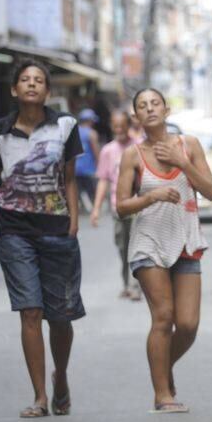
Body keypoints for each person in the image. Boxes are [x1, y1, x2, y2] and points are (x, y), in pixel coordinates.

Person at [0, 58, 84, 418]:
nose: (31, 84)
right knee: (30, 311)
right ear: (14, 89)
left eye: (38, 80)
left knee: (60, 316)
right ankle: (40, 396)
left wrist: (72, 222)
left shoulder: (66, 126)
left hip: (57, 230)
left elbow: (70, 178)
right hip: (14, 232)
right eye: (24, 79)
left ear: (47, 90)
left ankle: (61, 377)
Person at [116, 88, 212, 413]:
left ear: (167, 109)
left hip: (186, 239)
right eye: (142, 106)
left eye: (154, 103)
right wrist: (151, 196)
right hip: (150, 243)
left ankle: (162, 369)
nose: (149, 109)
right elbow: (120, 207)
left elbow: (210, 191)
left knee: (187, 325)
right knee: (163, 318)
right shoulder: (132, 155)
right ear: (136, 116)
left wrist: (182, 163)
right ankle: (163, 394)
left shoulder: (190, 146)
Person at [91, 110, 140, 300]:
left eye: (122, 125)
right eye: (115, 126)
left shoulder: (138, 146)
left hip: (138, 205)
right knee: (122, 246)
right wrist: (96, 209)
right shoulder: (108, 151)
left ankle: (134, 285)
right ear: (112, 126)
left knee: (136, 246)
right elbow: (103, 180)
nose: (119, 129)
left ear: (129, 125)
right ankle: (126, 282)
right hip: (117, 207)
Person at [75, 108, 100, 210]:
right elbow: (96, 151)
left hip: (75, 169)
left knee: (79, 190)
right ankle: (94, 207)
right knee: (92, 190)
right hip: (88, 168)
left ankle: (82, 206)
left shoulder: (74, 132)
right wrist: (99, 165)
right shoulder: (92, 133)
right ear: (90, 120)